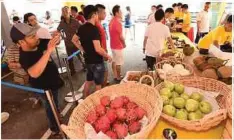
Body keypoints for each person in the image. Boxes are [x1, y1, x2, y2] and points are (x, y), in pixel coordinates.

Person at [10, 23, 64, 136]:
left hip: (54, 81)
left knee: (56, 103)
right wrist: (49, 51)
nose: (37, 37)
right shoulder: (24, 56)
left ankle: (58, 115)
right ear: (21, 42)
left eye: (35, 34)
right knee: (49, 107)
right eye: (32, 36)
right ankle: (55, 128)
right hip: (42, 87)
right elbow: (34, 73)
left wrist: (56, 37)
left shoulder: (40, 42)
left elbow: (55, 42)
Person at [72, 5, 112, 98]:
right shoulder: (94, 29)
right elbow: (98, 49)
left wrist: (82, 49)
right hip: (97, 62)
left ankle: (86, 98)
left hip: (88, 60)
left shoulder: (81, 27)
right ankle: (98, 102)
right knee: (98, 84)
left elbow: (74, 40)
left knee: (89, 81)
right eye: (97, 14)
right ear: (94, 15)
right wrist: (108, 56)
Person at [57, 6, 85, 75]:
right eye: (63, 11)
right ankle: (72, 71)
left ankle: (85, 66)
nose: (65, 13)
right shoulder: (62, 23)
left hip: (75, 43)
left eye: (66, 11)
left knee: (80, 56)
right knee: (70, 58)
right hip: (68, 43)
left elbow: (81, 29)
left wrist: (79, 38)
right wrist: (58, 36)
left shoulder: (75, 21)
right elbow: (58, 30)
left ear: (70, 12)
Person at [109, 5, 126, 82]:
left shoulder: (111, 21)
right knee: (118, 63)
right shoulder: (118, 23)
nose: (122, 13)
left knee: (114, 61)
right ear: (116, 13)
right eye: (120, 11)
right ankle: (118, 77)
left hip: (112, 45)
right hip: (118, 45)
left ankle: (115, 75)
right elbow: (121, 37)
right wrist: (124, 43)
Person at [95, 4, 109, 87]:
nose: (105, 14)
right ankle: (103, 91)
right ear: (98, 13)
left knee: (103, 73)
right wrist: (104, 53)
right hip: (101, 53)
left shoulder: (99, 24)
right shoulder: (96, 25)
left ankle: (103, 88)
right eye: (104, 12)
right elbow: (97, 43)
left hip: (103, 51)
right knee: (105, 72)